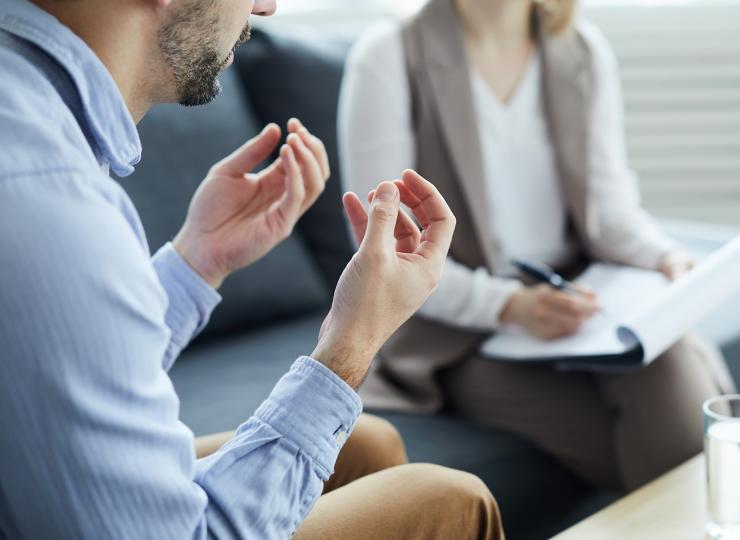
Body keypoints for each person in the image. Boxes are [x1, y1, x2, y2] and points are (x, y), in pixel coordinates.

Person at [0, 0, 504, 538]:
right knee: (452, 502)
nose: (266, 6)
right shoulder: (48, 198)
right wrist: (351, 344)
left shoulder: (27, 113)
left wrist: (197, 260)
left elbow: (52, 358)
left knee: (365, 445)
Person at [340, 0, 737, 492]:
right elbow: (388, 255)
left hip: (576, 298)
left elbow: (609, 211)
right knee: (671, 454)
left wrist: (664, 256)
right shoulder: (389, 55)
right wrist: (509, 305)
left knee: (668, 361)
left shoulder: (581, 50)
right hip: (461, 335)